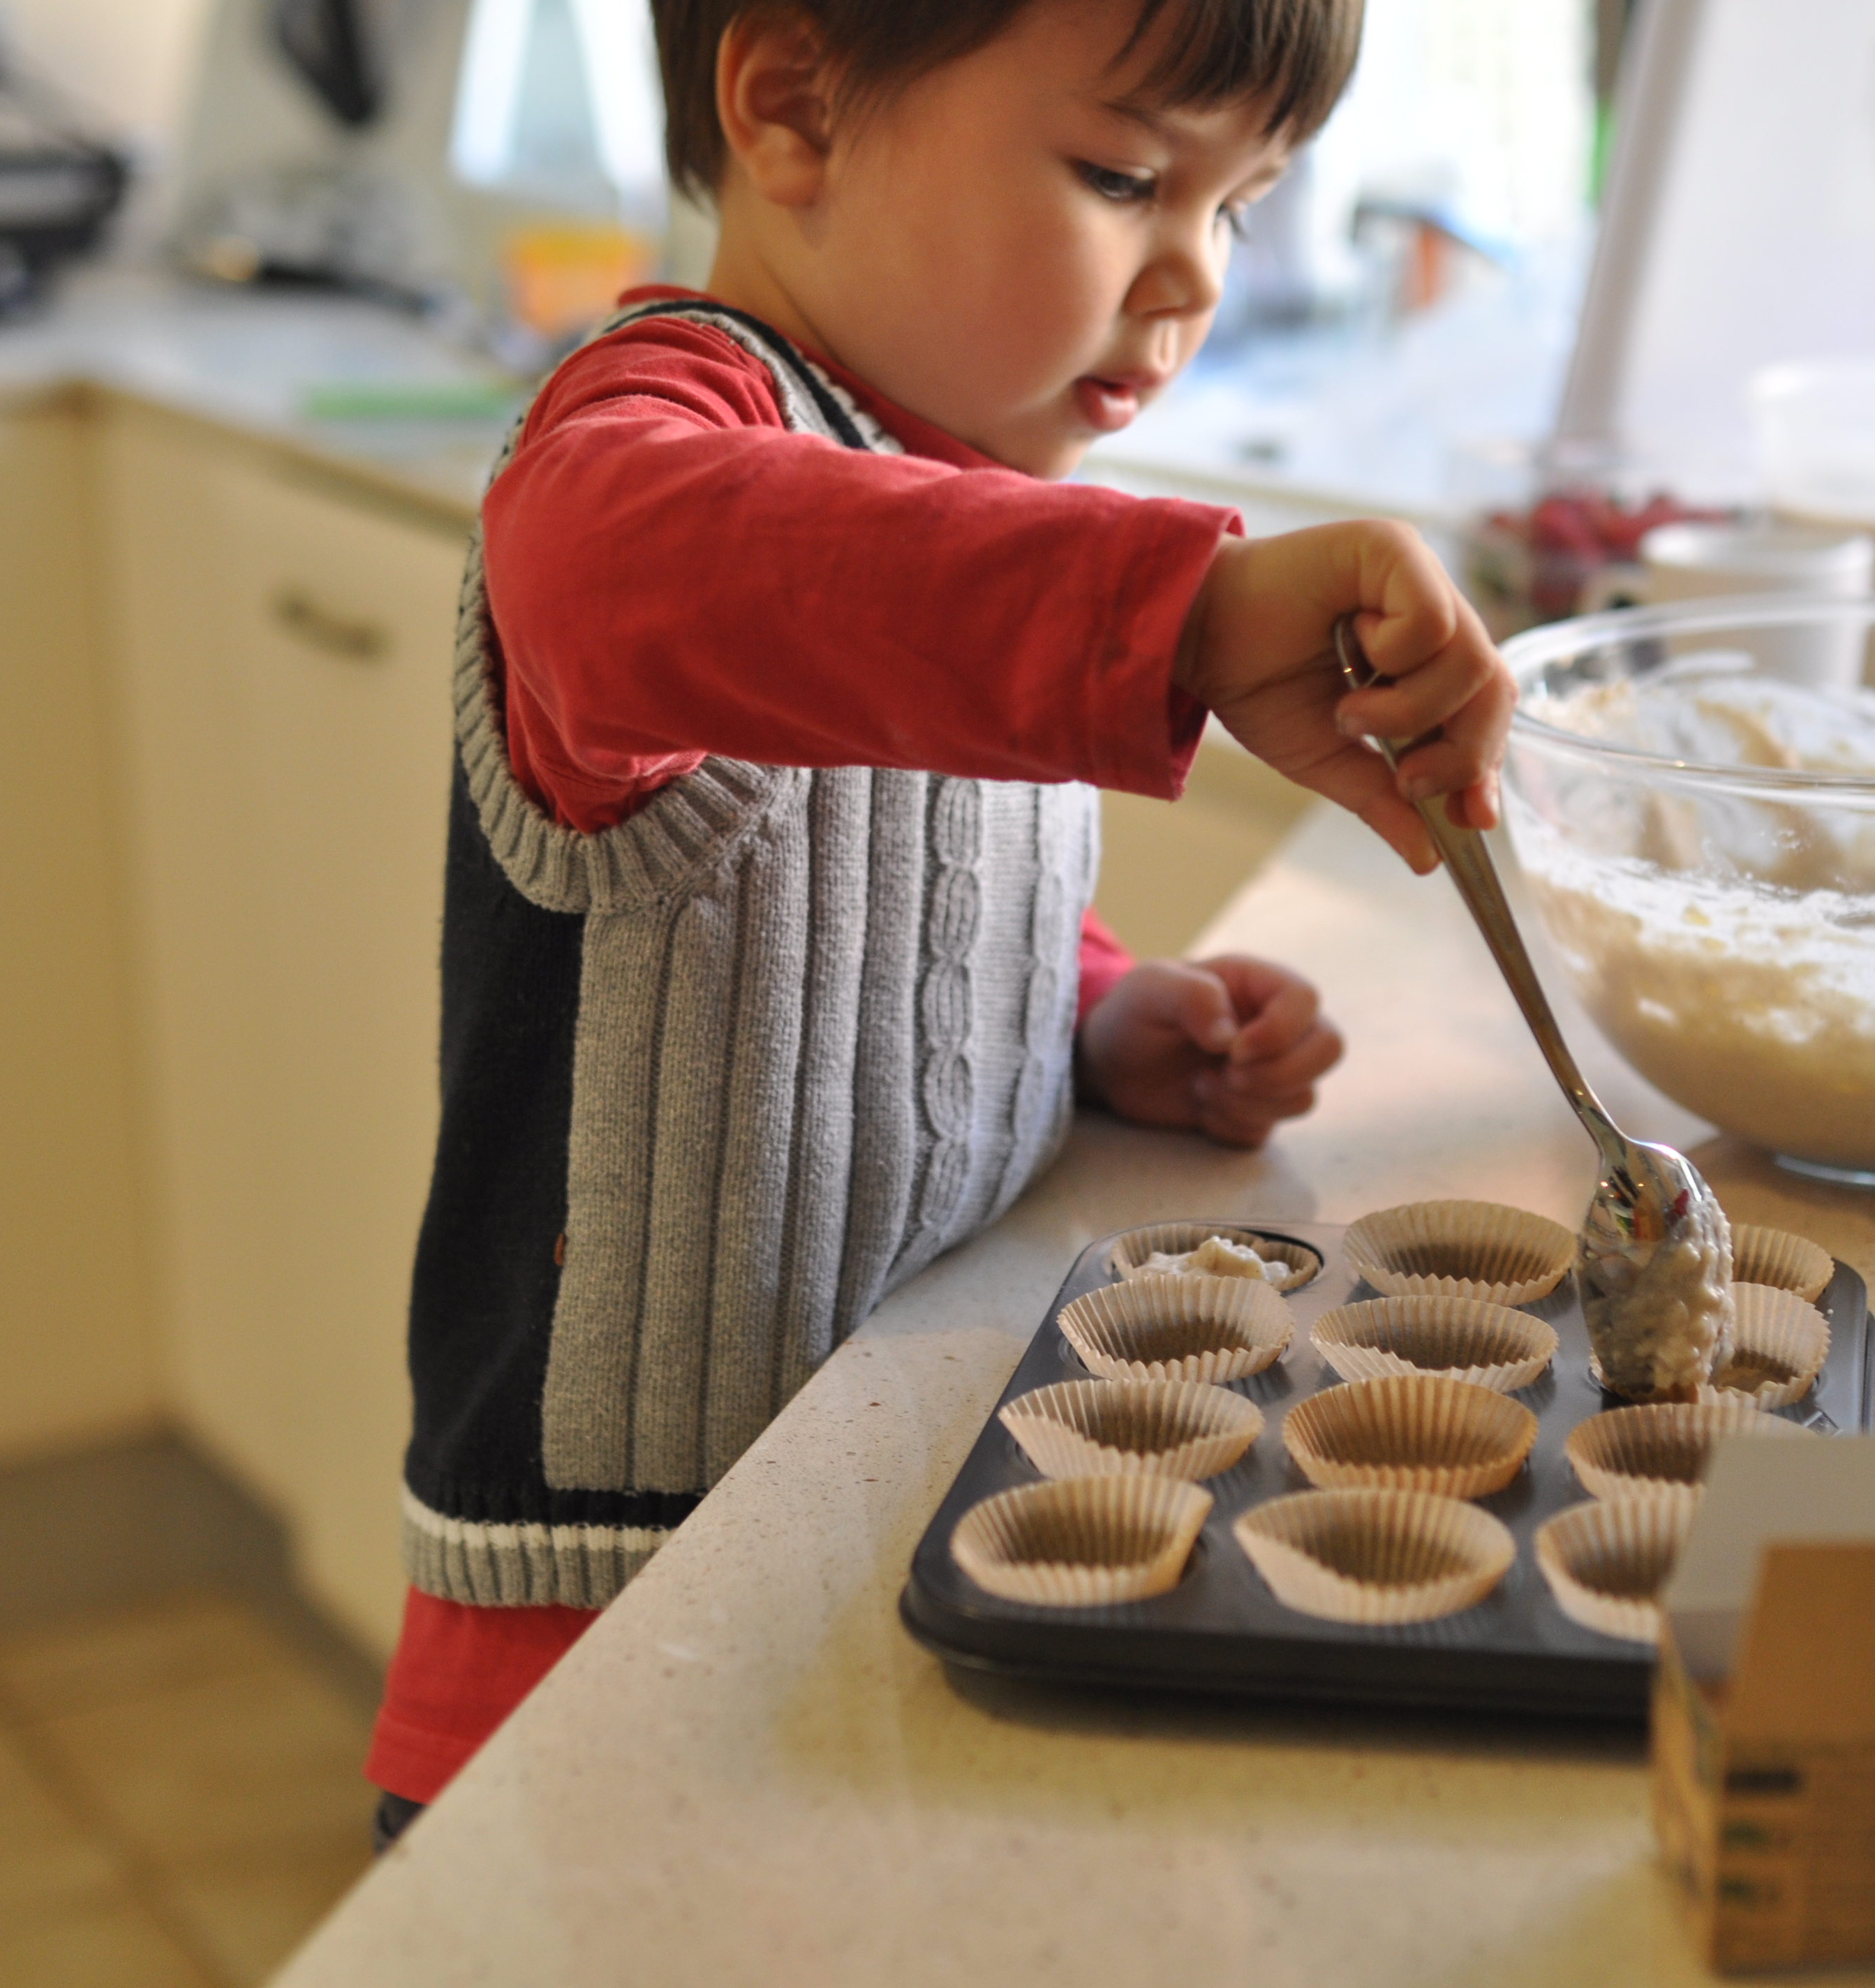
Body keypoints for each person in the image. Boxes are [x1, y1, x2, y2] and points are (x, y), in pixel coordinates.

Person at [363, 0, 1515, 1845]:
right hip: (607, 1638)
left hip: (887, 1537)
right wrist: (1196, 619)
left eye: (1241, 206)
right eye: (1126, 176)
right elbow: (621, 573)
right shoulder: (646, 428)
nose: (1189, 280)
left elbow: (896, 895)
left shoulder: (993, 513)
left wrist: (1104, 1015)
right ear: (795, 104)